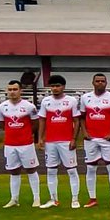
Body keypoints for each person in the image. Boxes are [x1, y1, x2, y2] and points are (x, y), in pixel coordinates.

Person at [78, 72, 110, 207]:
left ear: (106, 83)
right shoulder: (85, 98)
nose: (100, 83)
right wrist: (84, 132)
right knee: (91, 168)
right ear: (93, 83)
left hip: (107, 139)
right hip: (90, 139)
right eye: (97, 81)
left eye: (102, 81)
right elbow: (81, 117)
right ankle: (92, 198)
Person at [37, 74, 82, 208]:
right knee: (51, 170)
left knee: (72, 170)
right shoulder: (46, 101)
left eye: (58, 86)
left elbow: (76, 121)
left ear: (63, 87)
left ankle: (75, 199)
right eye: (52, 86)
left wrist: (74, 138)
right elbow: (42, 120)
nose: (55, 88)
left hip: (66, 141)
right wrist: (40, 138)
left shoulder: (71, 101)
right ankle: (53, 199)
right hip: (50, 141)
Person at [0, 79, 42, 208]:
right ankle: (14, 199)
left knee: (31, 169)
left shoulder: (29, 106)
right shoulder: (2, 107)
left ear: (20, 90)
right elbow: (1, 124)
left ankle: (36, 198)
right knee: (14, 171)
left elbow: (35, 123)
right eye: (10, 90)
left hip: (26, 144)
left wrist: (26, 133)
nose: (12, 92)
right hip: (10, 144)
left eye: (15, 89)